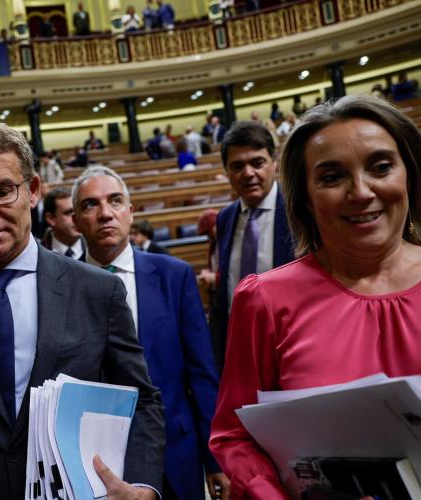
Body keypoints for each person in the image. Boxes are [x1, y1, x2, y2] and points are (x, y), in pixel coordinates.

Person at [0, 122, 166, 499]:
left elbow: (143, 399)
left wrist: (141, 486)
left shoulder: (97, 291)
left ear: (34, 190)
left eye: (3, 191)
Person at [210, 95, 421, 499]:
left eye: (381, 167)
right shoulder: (264, 300)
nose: (361, 191)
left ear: (409, 174)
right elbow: (235, 437)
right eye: (332, 177)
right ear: (305, 197)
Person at [73, 166, 230, 500]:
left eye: (115, 201)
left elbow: (201, 374)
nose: (105, 213)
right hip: (94, 462)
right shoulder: (64, 284)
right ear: (75, 222)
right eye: (90, 205)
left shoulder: (174, 275)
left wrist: (215, 457)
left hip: (176, 452)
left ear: (130, 212)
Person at [212, 121, 296, 374]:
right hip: (239, 350)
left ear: (274, 162)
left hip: (292, 345)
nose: (248, 173)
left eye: (257, 163)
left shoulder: (300, 211)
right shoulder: (225, 218)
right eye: (237, 166)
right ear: (227, 171)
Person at [41, 188, 85, 260]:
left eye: (78, 211)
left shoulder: (97, 248)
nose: (77, 218)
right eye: (69, 213)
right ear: (51, 219)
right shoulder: (37, 255)